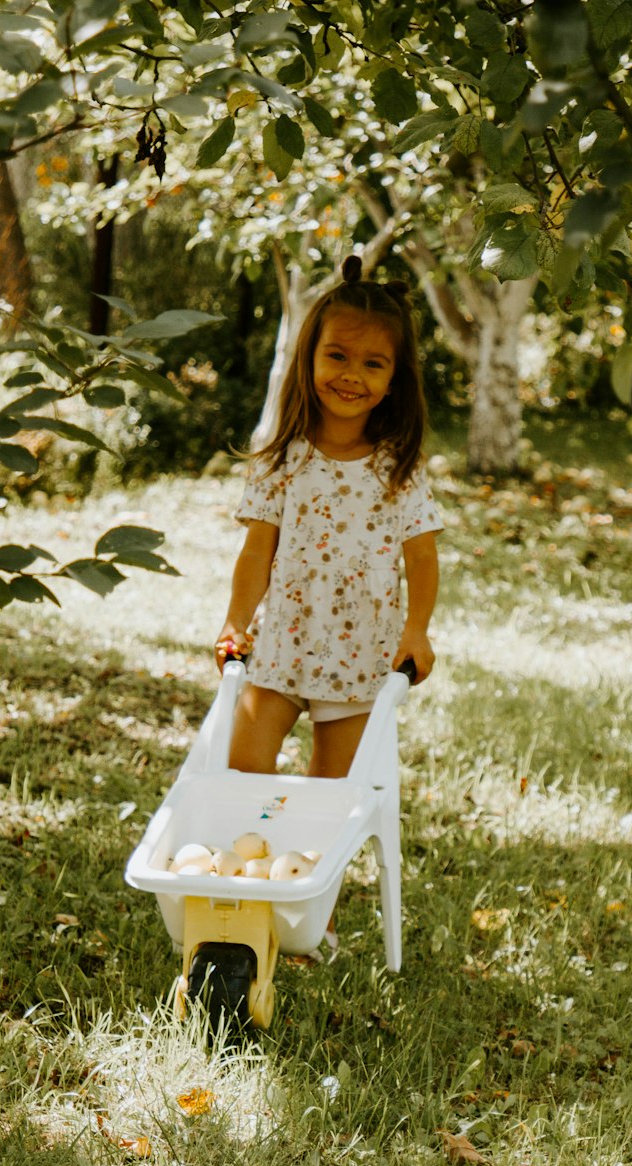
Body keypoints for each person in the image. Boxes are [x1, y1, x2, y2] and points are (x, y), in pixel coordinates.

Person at [215, 255, 442, 784]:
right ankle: (248, 862)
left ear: (394, 380)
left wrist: (417, 631)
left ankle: (309, 867)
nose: (351, 376)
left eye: (372, 364)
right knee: (242, 768)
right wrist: (236, 620)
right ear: (309, 357)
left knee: (330, 789)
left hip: (361, 654)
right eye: (337, 355)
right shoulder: (283, 459)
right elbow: (256, 551)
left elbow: (423, 554)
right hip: (282, 644)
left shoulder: (398, 467)